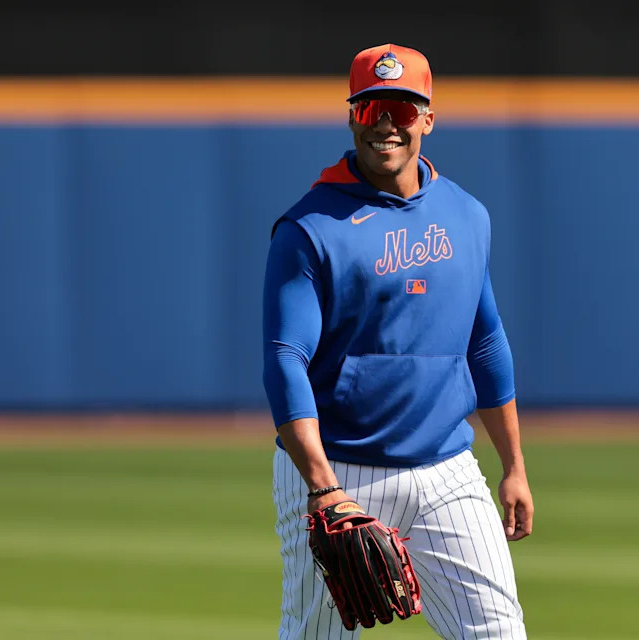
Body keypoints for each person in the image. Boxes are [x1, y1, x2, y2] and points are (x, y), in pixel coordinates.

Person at [262, 43, 533, 639]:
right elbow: (285, 359)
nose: (386, 122)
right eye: (371, 107)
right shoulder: (310, 228)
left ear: (428, 119)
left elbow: (485, 342)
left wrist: (512, 464)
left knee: (499, 634)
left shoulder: (466, 215)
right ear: (353, 114)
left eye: (403, 108)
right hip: (341, 472)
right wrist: (324, 489)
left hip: (448, 469)